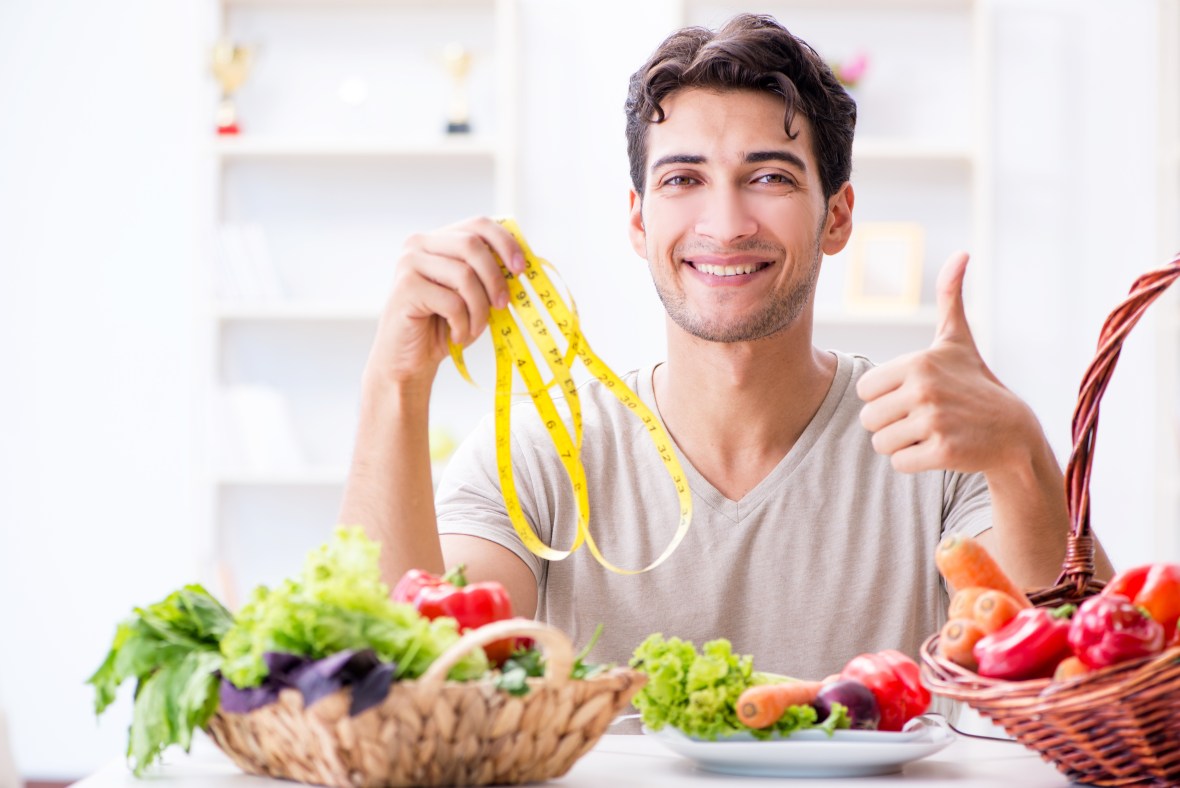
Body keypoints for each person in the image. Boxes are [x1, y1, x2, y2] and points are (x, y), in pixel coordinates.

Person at [338, 13, 1112, 684]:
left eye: (769, 176)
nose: (725, 222)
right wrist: (393, 385)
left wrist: (1021, 454)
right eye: (683, 180)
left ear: (837, 216)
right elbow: (413, 668)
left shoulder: (933, 447)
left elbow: (1089, 683)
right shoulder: (545, 445)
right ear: (639, 222)